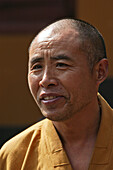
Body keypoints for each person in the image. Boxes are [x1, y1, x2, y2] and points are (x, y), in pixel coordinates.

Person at [0, 18, 113, 170]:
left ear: (100, 71)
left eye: (61, 65)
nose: (45, 80)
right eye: (37, 67)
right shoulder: (14, 156)